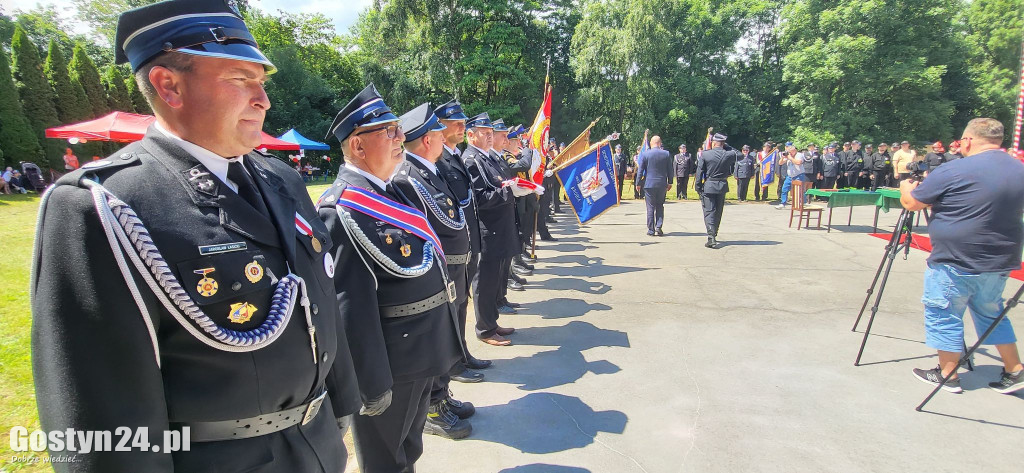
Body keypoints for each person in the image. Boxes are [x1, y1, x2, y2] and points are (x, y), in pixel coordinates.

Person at [31, 1, 361, 471]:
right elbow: (100, 405)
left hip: (316, 444)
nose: (263, 99)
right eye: (240, 79)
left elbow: (320, 298)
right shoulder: (102, 205)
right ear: (169, 85)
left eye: (261, 81)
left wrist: (341, 408)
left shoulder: (280, 180)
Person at [320, 85, 463, 471]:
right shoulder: (341, 208)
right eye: (389, 131)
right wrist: (371, 383)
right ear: (358, 147)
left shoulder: (395, 191)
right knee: (385, 460)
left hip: (420, 351)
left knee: (408, 450)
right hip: (390, 364)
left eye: (397, 129)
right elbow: (350, 306)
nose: (401, 138)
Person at [899, 118, 1024, 395]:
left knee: (944, 313)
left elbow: (913, 202)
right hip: (1000, 259)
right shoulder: (1018, 168)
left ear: (967, 141)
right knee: (992, 313)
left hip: (956, 258)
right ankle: (1014, 369)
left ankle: (947, 373)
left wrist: (906, 187)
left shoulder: (956, 168)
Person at [389, 102, 477, 440]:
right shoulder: (409, 177)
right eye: (439, 134)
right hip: (437, 273)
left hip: (451, 270)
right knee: (438, 337)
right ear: (427, 140)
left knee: (449, 335)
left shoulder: (430, 169)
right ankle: (432, 406)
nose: (445, 139)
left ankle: (442, 394)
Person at [433, 99, 493, 378]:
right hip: (451, 250)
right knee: (453, 305)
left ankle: (463, 352)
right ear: (438, 127)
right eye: (454, 123)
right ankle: (453, 362)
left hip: (466, 245)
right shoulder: (438, 160)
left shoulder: (454, 155)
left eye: (462, 121)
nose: (461, 126)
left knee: (462, 303)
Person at [463, 112, 519, 346]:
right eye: (484, 133)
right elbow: (481, 197)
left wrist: (511, 187)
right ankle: (484, 329)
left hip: (498, 228)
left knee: (493, 279)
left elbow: (498, 183)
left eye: (490, 133)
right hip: (488, 229)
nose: (489, 137)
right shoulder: (471, 159)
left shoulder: (486, 157)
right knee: (484, 282)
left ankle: (492, 322)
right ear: (471, 135)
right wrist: (510, 191)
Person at [696, 133, 738, 248]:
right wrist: (728, 147)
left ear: (713, 143)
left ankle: (711, 237)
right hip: (722, 185)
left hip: (709, 185)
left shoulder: (705, 154)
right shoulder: (728, 154)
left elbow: (699, 172)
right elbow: (740, 155)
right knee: (718, 212)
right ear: (723, 143)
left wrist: (698, 186)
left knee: (709, 211)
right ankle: (714, 234)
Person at [639, 135, 672, 236]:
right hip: (662, 184)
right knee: (660, 206)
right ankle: (658, 226)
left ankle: (651, 229)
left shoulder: (645, 154)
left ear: (650, 143)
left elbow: (640, 170)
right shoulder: (666, 154)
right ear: (660, 143)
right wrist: (670, 182)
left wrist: (638, 183)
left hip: (649, 184)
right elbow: (670, 169)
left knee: (650, 207)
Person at [775, 142, 806, 209]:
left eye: (791, 152)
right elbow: (780, 163)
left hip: (799, 175)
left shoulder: (799, 155)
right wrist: (783, 158)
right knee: (784, 189)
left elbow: (798, 162)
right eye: (789, 152)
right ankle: (783, 203)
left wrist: (790, 158)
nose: (790, 153)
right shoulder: (788, 156)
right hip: (790, 176)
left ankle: (804, 203)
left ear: (795, 151)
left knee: (800, 190)